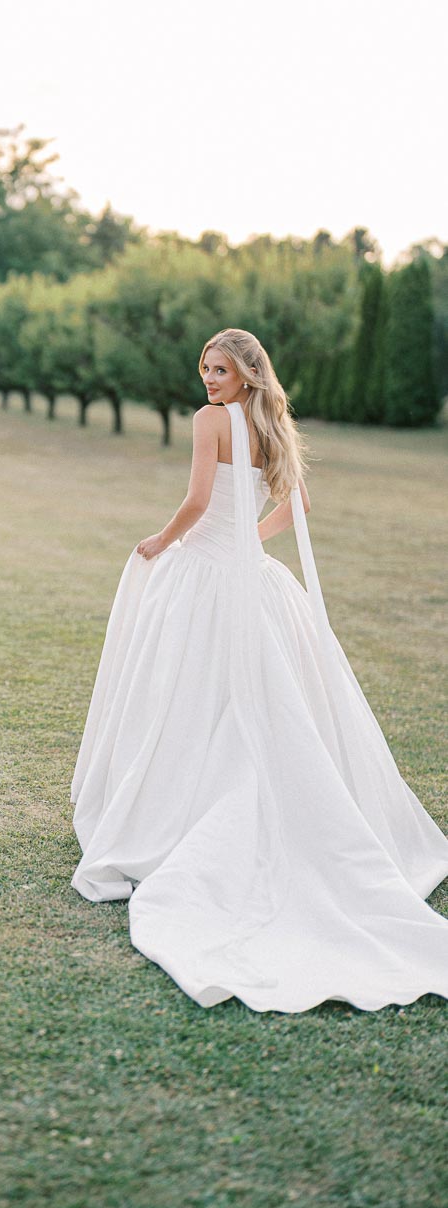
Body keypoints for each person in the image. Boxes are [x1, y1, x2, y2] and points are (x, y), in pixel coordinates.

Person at [71, 327, 448, 1013]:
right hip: (253, 576)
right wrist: (246, 538)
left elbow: (193, 503)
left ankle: (185, 811)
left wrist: (160, 542)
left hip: (208, 574)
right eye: (204, 369)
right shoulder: (265, 421)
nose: (208, 380)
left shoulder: (211, 422)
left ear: (245, 372)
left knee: (190, 694)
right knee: (251, 697)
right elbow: (294, 504)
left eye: (219, 370)